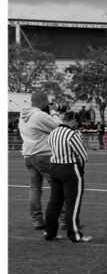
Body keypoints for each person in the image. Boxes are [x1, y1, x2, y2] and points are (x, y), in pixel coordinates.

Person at [44, 111, 91, 242]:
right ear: (74, 121)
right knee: (72, 203)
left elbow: (51, 149)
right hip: (69, 168)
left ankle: (50, 232)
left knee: (54, 202)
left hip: (54, 167)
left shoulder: (52, 133)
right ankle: (74, 234)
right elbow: (83, 155)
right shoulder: (72, 134)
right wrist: (80, 169)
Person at [18, 91, 61, 230]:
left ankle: (37, 220)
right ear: (43, 101)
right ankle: (64, 219)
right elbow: (58, 127)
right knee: (58, 186)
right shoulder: (39, 115)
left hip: (29, 155)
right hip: (43, 154)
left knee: (35, 189)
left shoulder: (22, 116)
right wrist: (54, 112)